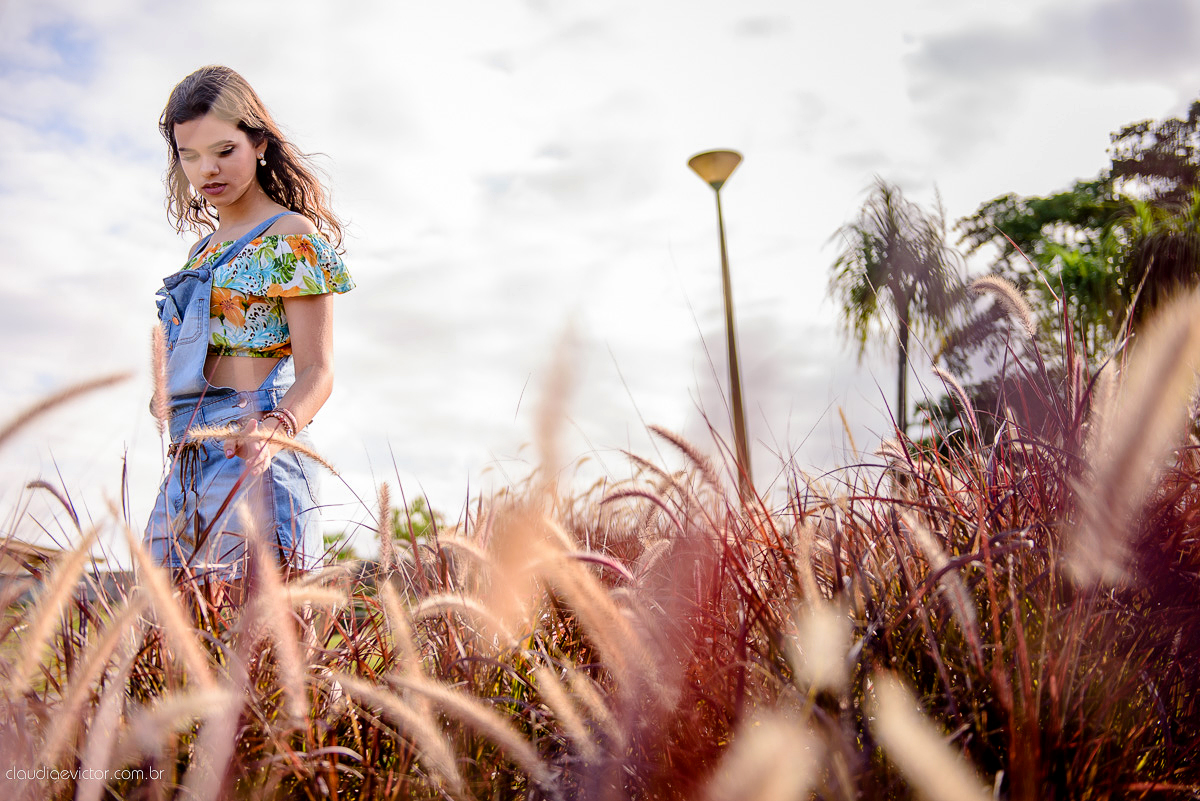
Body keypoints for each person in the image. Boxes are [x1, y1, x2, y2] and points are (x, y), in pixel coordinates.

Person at [144, 66, 353, 585]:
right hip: (188, 451)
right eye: (189, 155)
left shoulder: (289, 236)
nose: (206, 170)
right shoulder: (201, 250)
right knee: (168, 623)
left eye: (223, 150)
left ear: (258, 141)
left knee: (260, 635)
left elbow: (318, 371)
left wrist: (273, 431)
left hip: (255, 442)